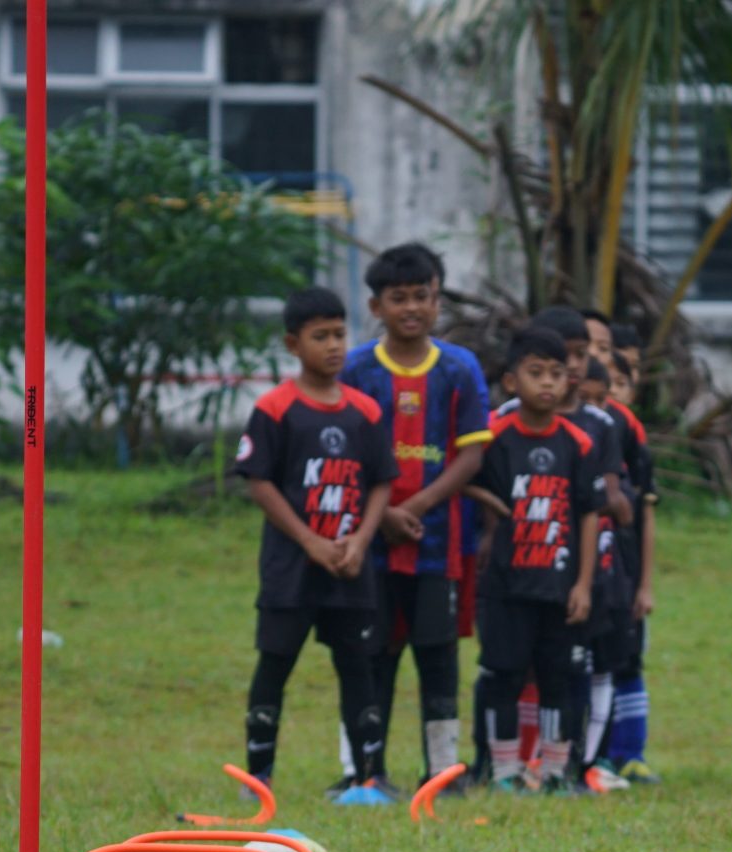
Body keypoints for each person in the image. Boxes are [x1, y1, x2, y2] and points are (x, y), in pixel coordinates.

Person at [335, 243, 494, 801]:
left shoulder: (459, 368)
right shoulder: (354, 368)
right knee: (368, 652)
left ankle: (444, 773)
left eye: (421, 297)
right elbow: (344, 455)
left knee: (438, 654)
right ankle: (363, 770)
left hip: (438, 543)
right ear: (376, 306)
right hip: (367, 543)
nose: (411, 309)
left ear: (437, 301)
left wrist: (414, 510)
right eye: (397, 298)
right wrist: (381, 519)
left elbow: (472, 456)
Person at [234, 288, 396, 800]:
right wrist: (310, 542)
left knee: (357, 663)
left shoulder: (366, 412)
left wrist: (360, 540)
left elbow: (380, 482)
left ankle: (366, 775)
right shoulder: (275, 408)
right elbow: (259, 482)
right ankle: (258, 776)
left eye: (339, 335)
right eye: (319, 336)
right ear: (292, 343)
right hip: (291, 569)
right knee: (275, 661)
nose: (333, 346)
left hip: (350, 567)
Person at [469, 326, 608, 794]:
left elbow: (590, 514)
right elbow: (459, 475)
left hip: (560, 586)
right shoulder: (493, 436)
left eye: (556, 374)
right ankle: (504, 772)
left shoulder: (578, 442)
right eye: (535, 373)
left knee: (559, 680)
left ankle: (554, 773)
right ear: (512, 382)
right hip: (504, 585)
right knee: (503, 675)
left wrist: (584, 583)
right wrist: (486, 503)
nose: (547, 383)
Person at [577, 357, 658, 791]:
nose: (593, 409)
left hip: (615, 575)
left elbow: (635, 511)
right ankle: (564, 760)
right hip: (564, 578)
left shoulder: (622, 433)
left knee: (614, 662)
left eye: (601, 399)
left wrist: (644, 584)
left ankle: (606, 758)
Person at [595, 323, 662, 784]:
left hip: (624, 564)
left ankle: (629, 751)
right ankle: (594, 755)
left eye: (630, 375)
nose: (624, 386)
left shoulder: (628, 429)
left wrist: (645, 581)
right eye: (617, 376)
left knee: (627, 658)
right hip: (586, 565)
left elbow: (645, 511)